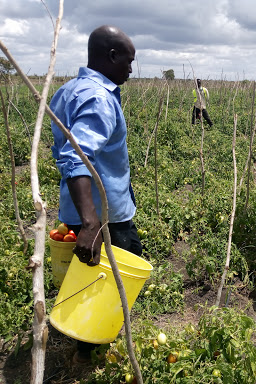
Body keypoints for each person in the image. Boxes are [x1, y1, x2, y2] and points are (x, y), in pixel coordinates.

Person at [50, 25, 142, 364]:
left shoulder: (68, 90)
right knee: (109, 281)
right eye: (128, 62)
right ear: (112, 56)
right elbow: (77, 157)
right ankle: (94, 346)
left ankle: (86, 346)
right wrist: (92, 223)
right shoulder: (99, 98)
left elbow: (62, 150)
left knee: (86, 278)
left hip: (79, 208)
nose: (131, 70)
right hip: (105, 216)